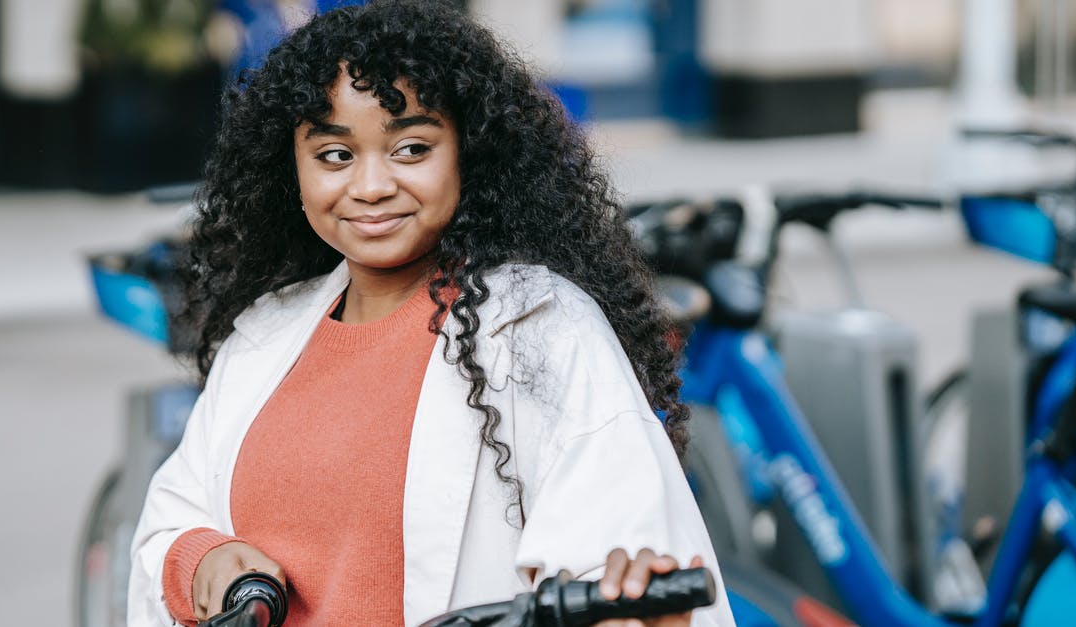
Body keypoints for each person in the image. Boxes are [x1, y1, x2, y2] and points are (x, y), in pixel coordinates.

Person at [128, 1, 736, 625]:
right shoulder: (264, 336)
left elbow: (615, 561)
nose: (369, 186)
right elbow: (170, 524)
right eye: (334, 155)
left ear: (468, 153)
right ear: (292, 169)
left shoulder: (541, 329)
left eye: (411, 148)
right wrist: (203, 561)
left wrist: (634, 611)